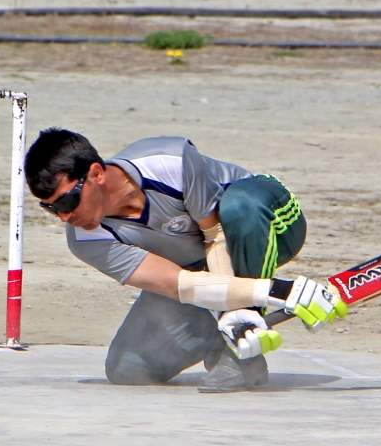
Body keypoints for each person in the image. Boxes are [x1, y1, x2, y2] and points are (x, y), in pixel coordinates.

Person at [23, 129, 346, 392]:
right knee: (128, 367)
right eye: (50, 208)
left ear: (96, 174)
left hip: (265, 224)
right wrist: (265, 296)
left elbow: (217, 235)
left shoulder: (167, 161)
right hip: (198, 271)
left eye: (66, 200)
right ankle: (240, 330)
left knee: (239, 207)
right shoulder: (84, 238)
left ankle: (241, 354)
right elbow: (178, 284)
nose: (64, 216)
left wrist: (266, 296)